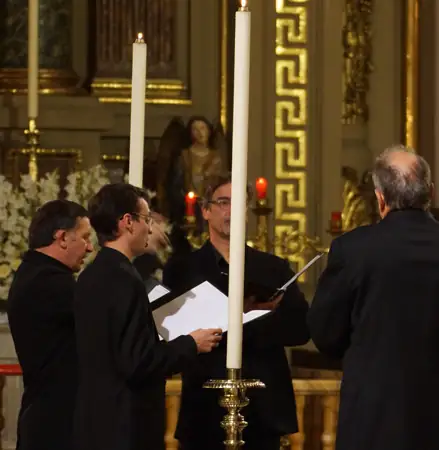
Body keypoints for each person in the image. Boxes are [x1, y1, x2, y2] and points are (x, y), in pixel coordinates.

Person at [307, 146, 439, 450]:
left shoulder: (352, 249)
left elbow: (325, 335)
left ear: (379, 197)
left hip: (373, 416)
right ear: (430, 191)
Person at [162, 174, 310, 450]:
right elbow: (168, 334)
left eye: (238, 203)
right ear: (205, 210)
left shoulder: (273, 268)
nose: (231, 210)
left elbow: (301, 328)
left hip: (263, 407)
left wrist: (253, 317)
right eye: (223, 202)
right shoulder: (182, 270)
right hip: (204, 405)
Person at [72, 183, 223, 450]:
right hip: (126, 424)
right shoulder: (123, 279)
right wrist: (191, 343)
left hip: (96, 418)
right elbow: (138, 361)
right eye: (146, 219)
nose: (150, 228)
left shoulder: (91, 275)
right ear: (127, 222)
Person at [7, 200, 93, 450]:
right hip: (56, 423)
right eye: (85, 238)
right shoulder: (50, 283)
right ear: (63, 237)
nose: (89, 248)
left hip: (47, 415)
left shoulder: (35, 273)